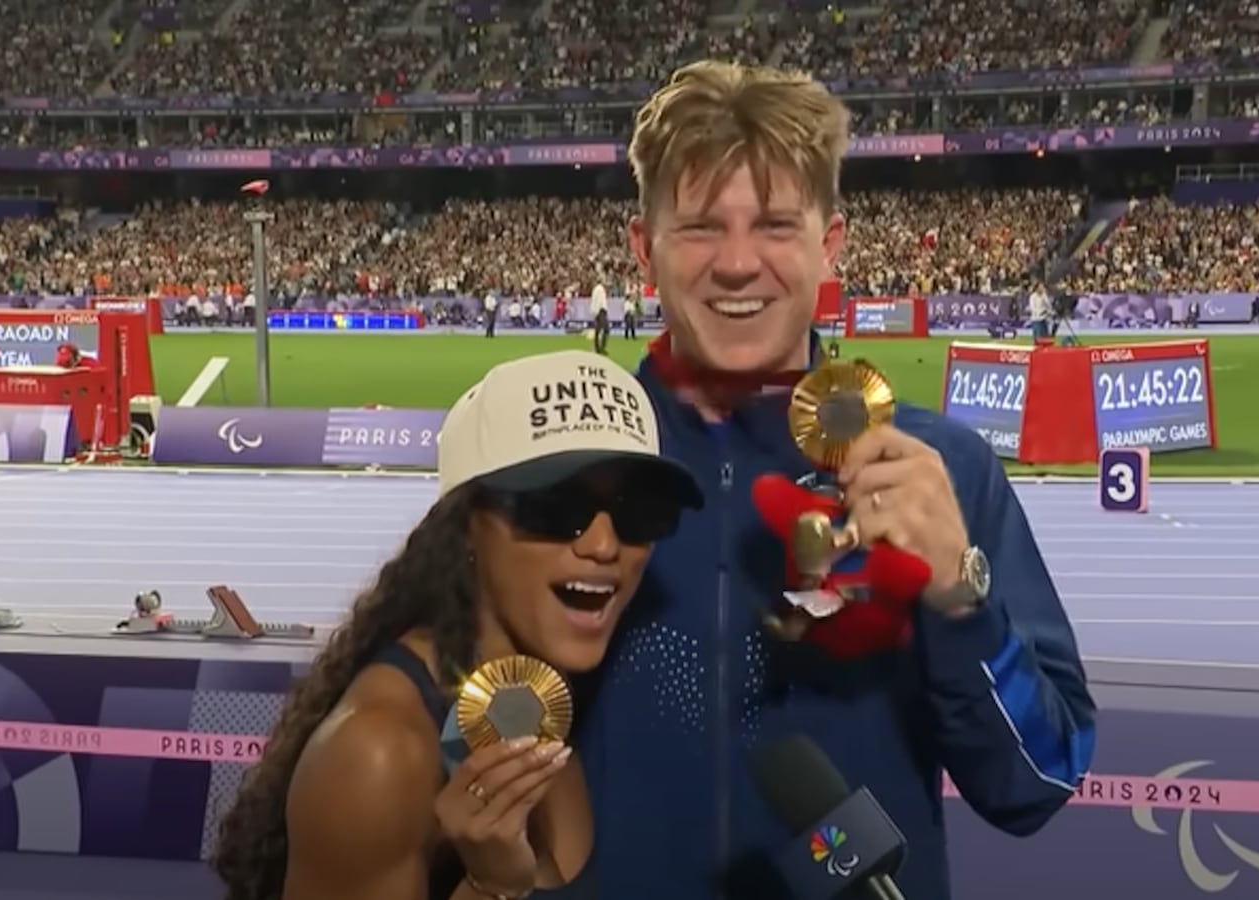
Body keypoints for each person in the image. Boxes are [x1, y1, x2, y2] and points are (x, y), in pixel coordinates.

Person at [576, 61, 1097, 899]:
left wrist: (961, 601)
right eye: (701, 226)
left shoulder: (937, 470)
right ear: (645, 248)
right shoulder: (570, 469)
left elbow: (1037, 779)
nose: (739, 264)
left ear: (830, 246)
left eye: (777, 225)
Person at [212, 349, 704, 900]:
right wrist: (490, 885)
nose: (603, 544)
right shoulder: (381, 755)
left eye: (639, 512)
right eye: (556, 509)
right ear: (466, 524)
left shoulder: (578, 685)